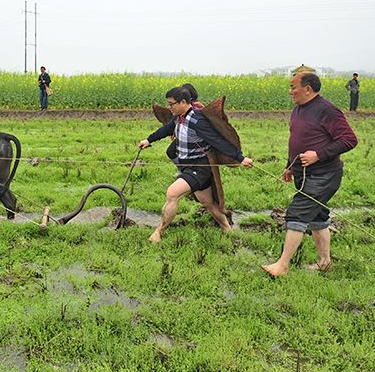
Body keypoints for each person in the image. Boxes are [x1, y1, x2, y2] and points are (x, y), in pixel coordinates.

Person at [261, 72, 358, 277]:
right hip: (303, 173)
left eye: (293, 87)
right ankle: (325, 262)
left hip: (324, 174)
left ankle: (283, 265)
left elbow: (349, 139)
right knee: (317, 216)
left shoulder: (327, 110)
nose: (290, 92)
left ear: (308, 89)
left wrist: (319, 155)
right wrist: (290, 166)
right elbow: (297, 140)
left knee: (297, 213)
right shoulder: (298, 110)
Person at [138, 86, 253, 243]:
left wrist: (240, 158)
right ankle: (227, 228)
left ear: (183, 102)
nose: (169, 107)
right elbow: (165, 129)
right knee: (208, 203)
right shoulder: (178, 118)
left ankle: (159, 231)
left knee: (172, 193)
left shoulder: (197, 121)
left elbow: (217, 141)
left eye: (172, 104)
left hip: (199, 168)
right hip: (188, 167)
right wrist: (148, 140)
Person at [167, 83, 205, 163]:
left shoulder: (194, 106)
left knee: (170, 151)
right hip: (183, 135)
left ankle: (182, 168)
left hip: (191, 137)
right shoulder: (187, 105)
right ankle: (182, 168)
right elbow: (176, 121)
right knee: (171, 152)